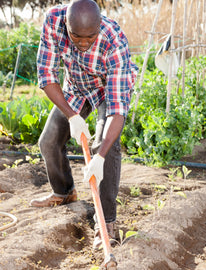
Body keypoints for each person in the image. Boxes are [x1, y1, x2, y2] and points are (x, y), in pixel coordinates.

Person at [30, 0, 138, 247]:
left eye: (90, 37)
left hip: (106, 90)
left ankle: (107, 222)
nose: (82, 43)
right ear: (66, 24)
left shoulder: (115, 40)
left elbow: (117, 110)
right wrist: (72, 116)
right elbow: (46, 75)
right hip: (75, 89)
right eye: (76, 36)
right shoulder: (53, 21)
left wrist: (98, 157)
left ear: (100, 25)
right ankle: (64, 192)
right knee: (49, 141)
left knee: (105, 147)